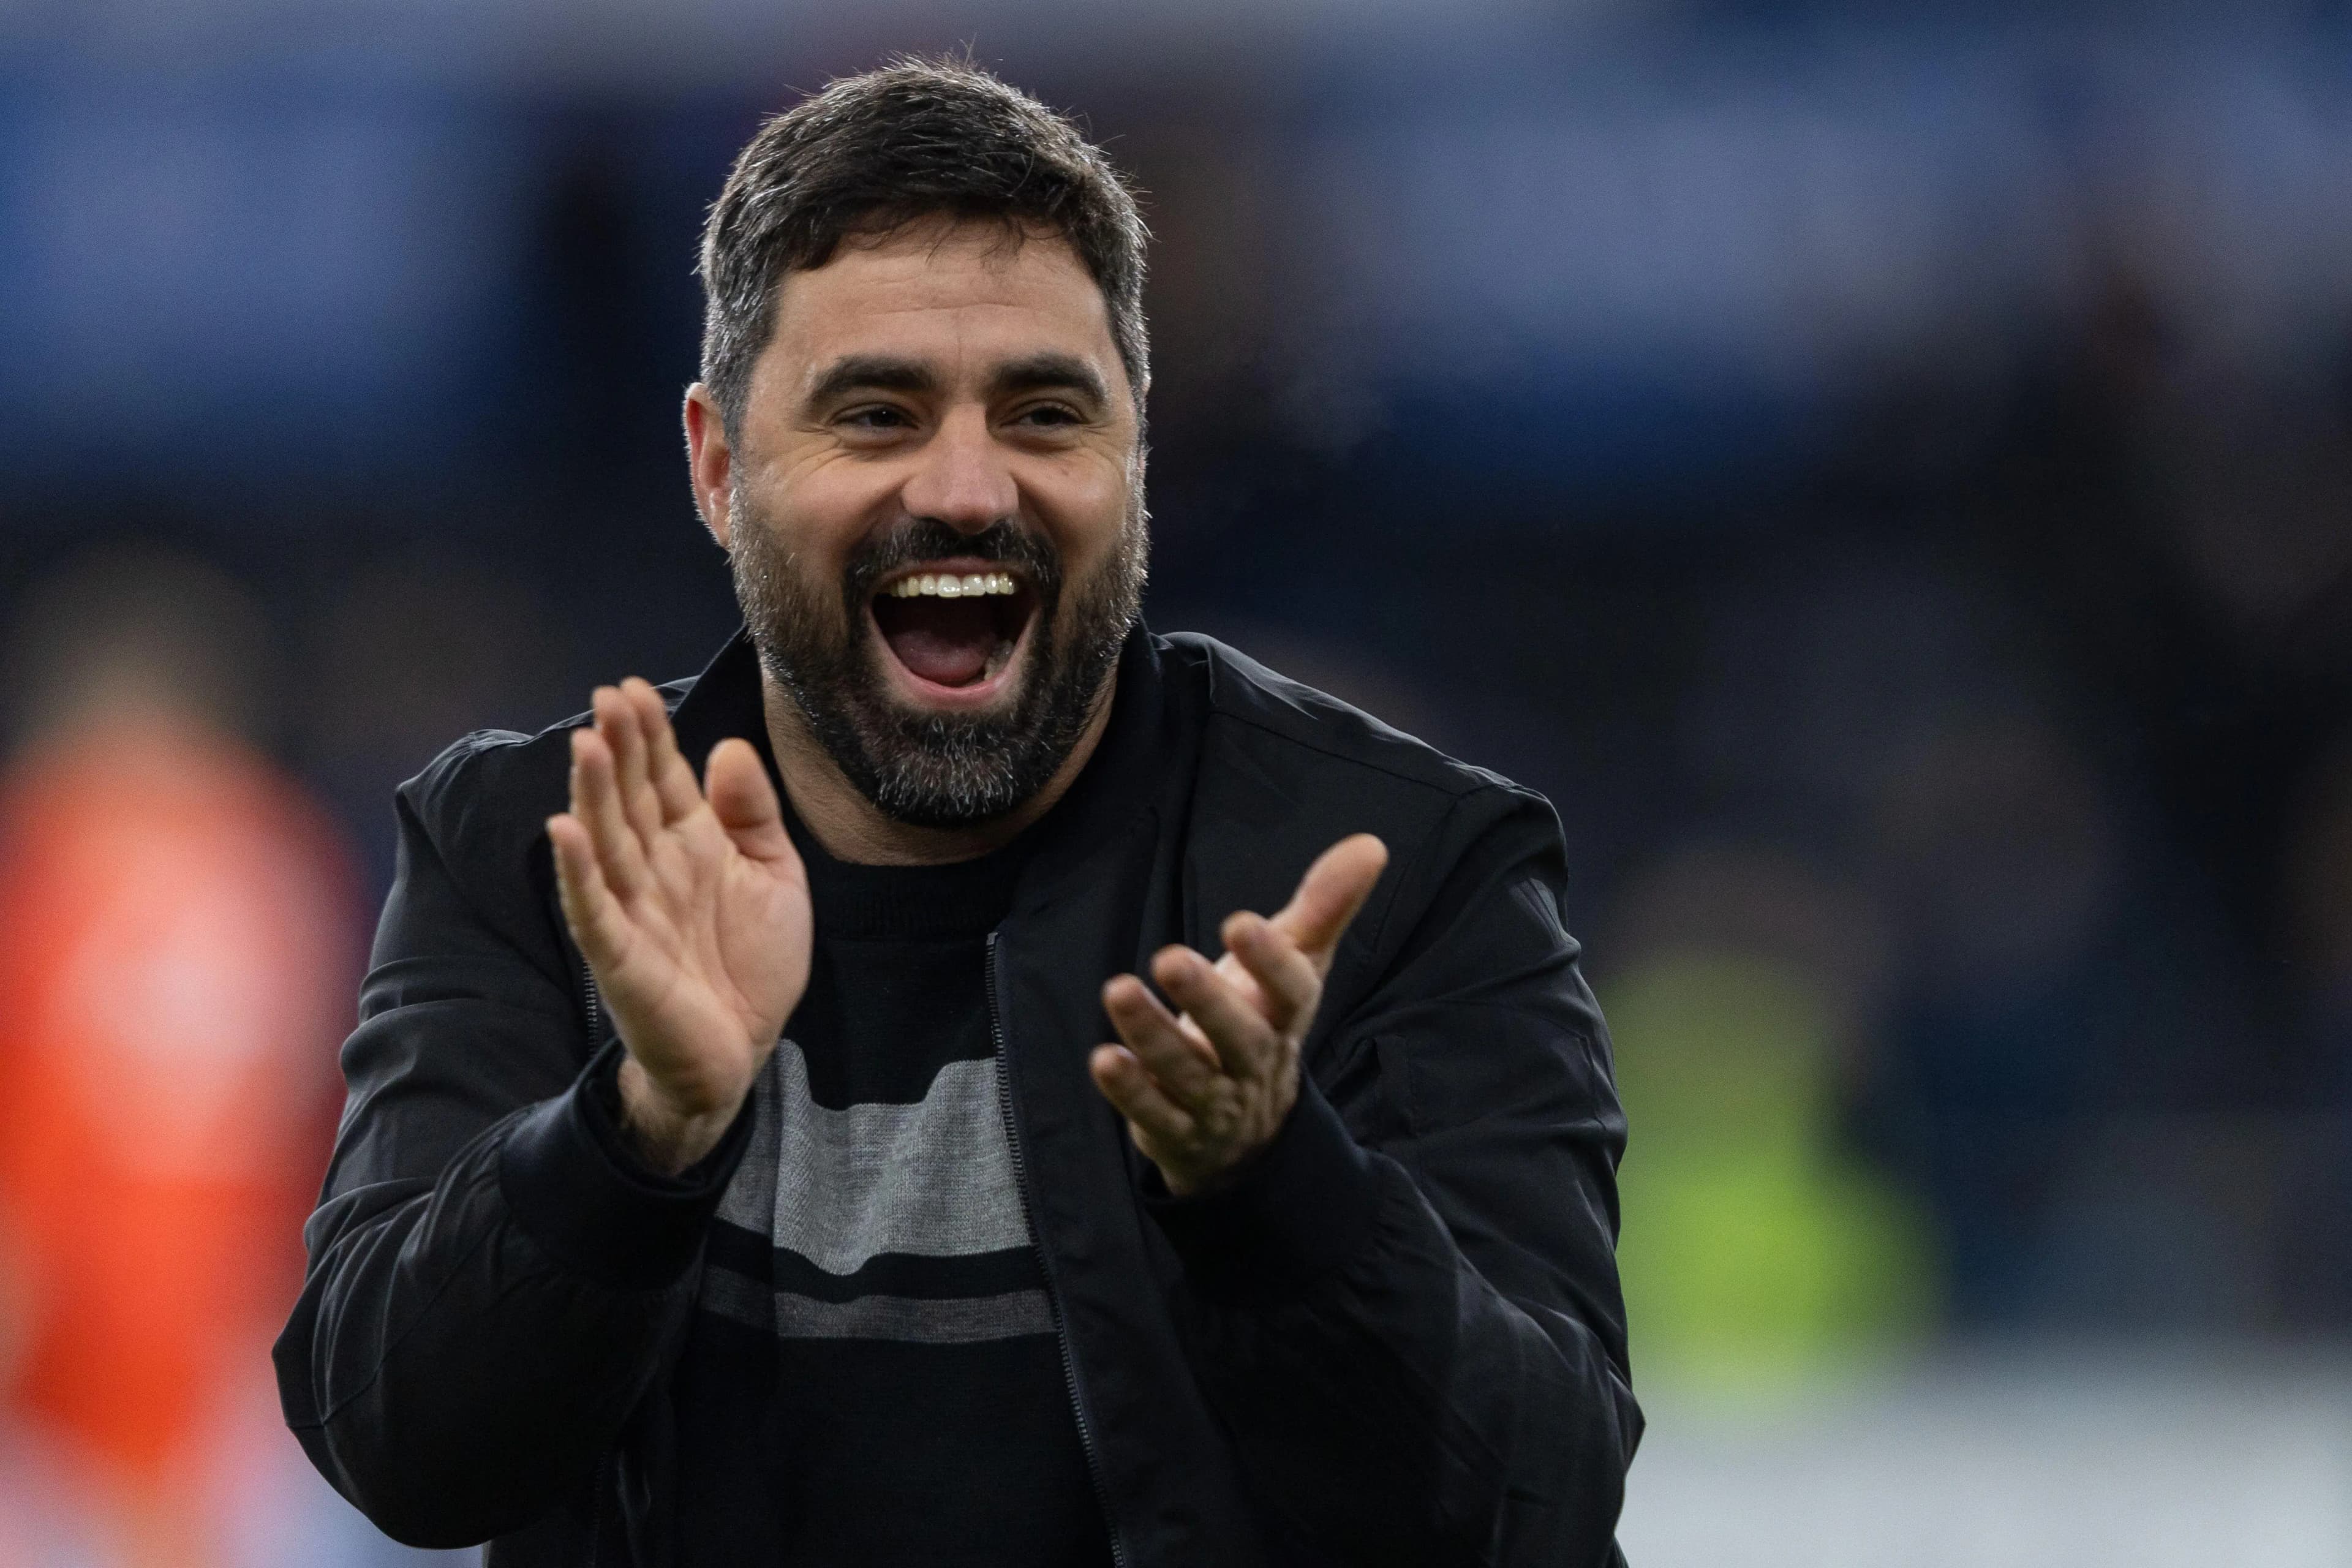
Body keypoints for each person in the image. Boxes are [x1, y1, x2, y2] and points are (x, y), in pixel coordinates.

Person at [274, 57, 1639, 1567]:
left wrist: (1274, 1184)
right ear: (719, 466)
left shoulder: (1399, 868)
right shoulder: (537, 853)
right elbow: (398, 1449)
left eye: (1047, 412)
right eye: (876, 413)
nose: (972, 486)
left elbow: (1544, 1507)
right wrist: (636, 1131)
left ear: (1135, 463)